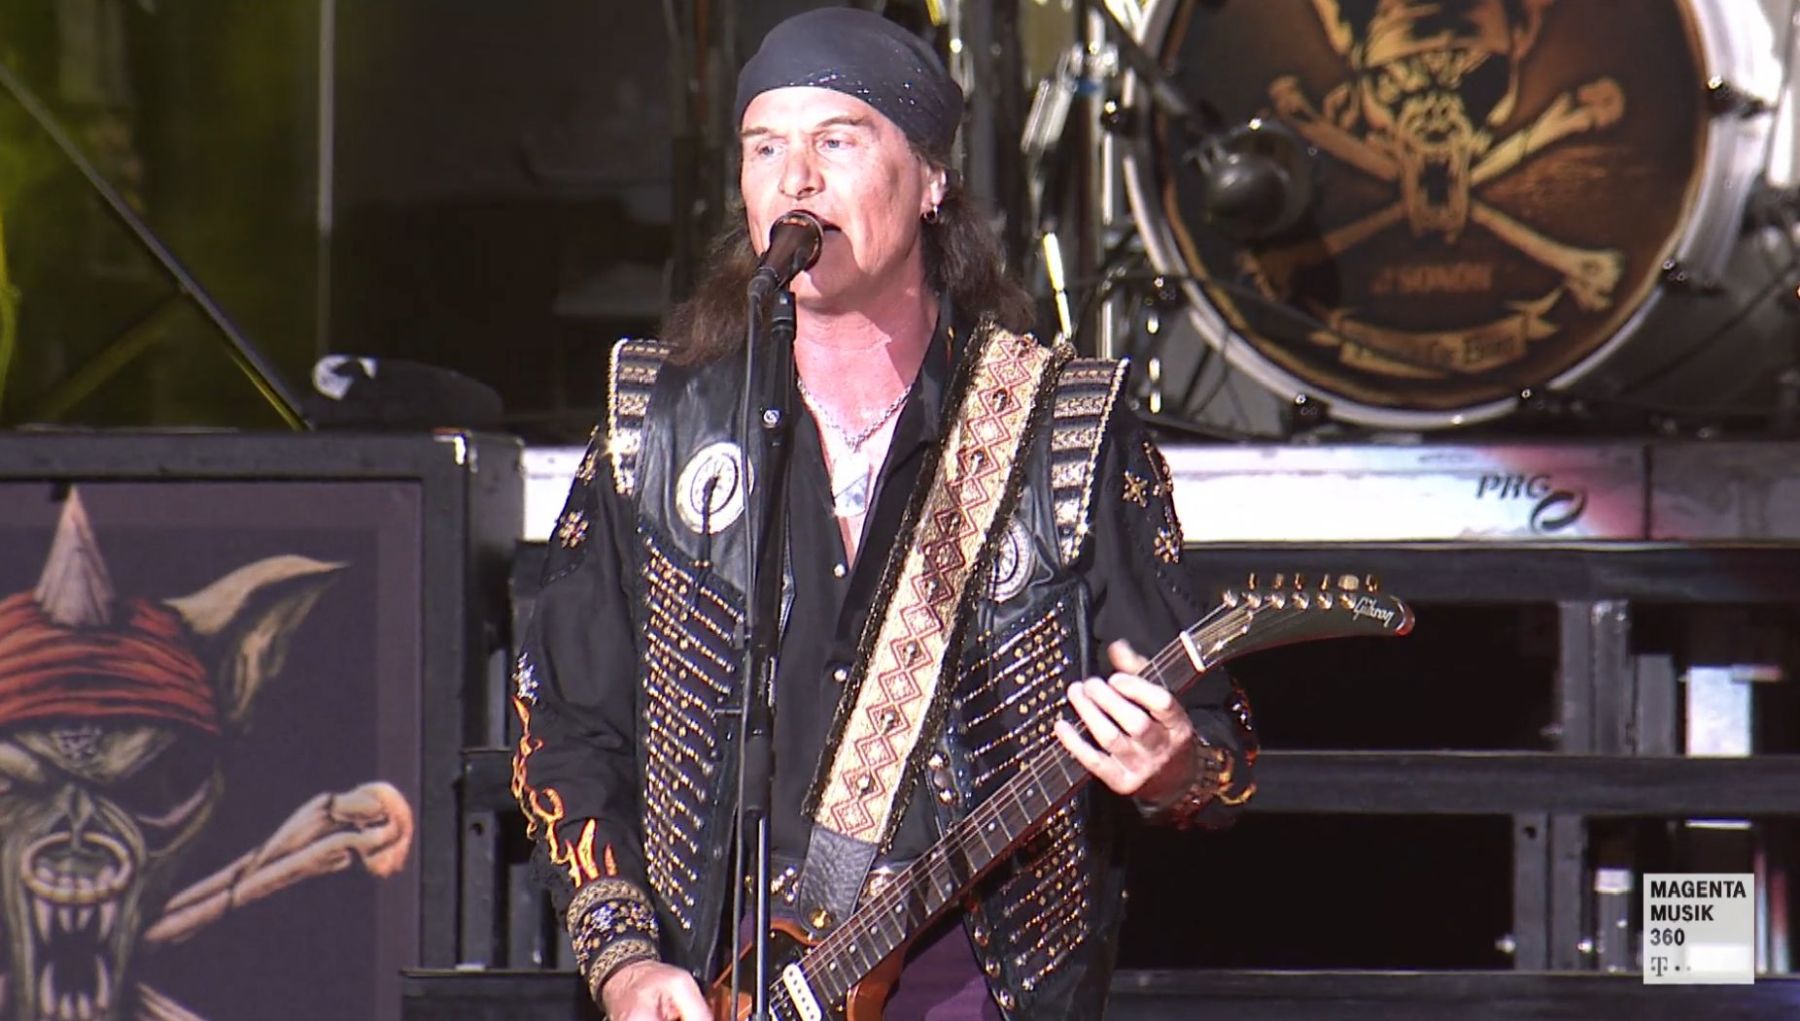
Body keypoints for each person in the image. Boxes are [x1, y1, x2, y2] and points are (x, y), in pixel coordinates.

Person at [511, 8, 1257, 1019]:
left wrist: (1171, 767)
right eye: (765, 147)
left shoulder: (1059, 432)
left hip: (970, 982)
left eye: (838, 142)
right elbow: (564, 726)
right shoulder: (660, 426)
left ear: (932, 179)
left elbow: (1216, 744)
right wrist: (627, 960)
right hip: (719, 986)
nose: (796, 179)